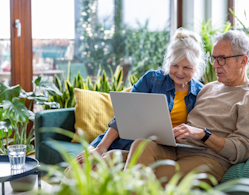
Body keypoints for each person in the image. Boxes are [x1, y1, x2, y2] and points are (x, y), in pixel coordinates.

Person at [120, 30, 249, 187]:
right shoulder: (208, 88)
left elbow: (241, 151)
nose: (215, 65)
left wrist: (203, 135)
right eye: (214, 58)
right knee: (116, 155)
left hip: (210, 159)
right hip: (178, 149)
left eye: (222, 59)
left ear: (243, 61)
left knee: (142, 176)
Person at [72, 28, 206, 164]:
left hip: (160, 150)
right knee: (78, 167)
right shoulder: (152, 79)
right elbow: (123, 116)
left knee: (103, 164)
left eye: (187, 67)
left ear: (196, 67)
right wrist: (100, 148)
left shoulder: (201, 93)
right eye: (174, 65)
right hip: (127, 142)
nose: (179, 72)